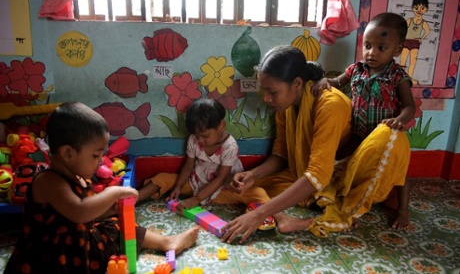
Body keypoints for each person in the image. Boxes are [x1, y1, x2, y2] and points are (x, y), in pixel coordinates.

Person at [220, 45, 411, 244]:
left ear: (296, 83)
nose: (267, 99)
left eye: (272, 92)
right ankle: (312, 200)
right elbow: (281, 156)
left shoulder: (330, 104)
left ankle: (330, 202)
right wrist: (254, 174)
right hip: (309, 175)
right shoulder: (284, 106)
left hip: (341, 176)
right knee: (246, 188)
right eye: (264, 92)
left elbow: (319, 173)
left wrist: (259, 214)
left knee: (391, 136)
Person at [5, 102, 199, 273]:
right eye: (95, 156)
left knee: (115, 224)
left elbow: (85, 214)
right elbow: (79, 211)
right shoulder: (48, 181)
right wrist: (112, 192)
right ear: (67, 153)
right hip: (54, 258)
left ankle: (166, 242)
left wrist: (110, 209)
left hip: (80, 240)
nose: (100, 163)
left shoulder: (77, 175)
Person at [313, 12, 415, 228]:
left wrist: (400, 120)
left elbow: (409, 106)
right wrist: (324, 80)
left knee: (402, 174)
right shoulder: (356, 69)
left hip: (385, 135)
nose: (371, 53)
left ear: (397, 49)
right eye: (367, 45)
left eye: (381, 47)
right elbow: (337, 81)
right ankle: (348, 198)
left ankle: (403, 211)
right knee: (345, 165)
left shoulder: (397, 76)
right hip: (359, 134)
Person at [138, 98, 248, 210]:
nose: (199, 140)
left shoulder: (230, 147)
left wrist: (197, 199)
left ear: (221, 126)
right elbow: (188, 166)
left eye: (205, 136)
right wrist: (178, 187)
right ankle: (130, 200)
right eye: (196, 135)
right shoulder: (194, 139)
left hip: (221, 189)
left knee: (252, 193)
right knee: (162, 178)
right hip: (196, 182)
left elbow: (220, 179)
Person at [400, 0, 430, 85]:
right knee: (403, 60)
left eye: (422, 8)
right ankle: (400, 77)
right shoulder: (410, 20)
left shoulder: (423, 23)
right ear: (413, 8)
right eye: (416, 8)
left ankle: (409, 78)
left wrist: (421, 38)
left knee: (413, 61)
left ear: (426, 9)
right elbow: (403, 28)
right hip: (406, 41)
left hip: (415, 43)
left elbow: (427, 31)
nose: (419, 10)